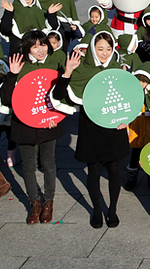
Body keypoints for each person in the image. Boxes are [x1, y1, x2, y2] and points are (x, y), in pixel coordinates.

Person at [52, 32, 129, 229]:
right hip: (91, 126)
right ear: (93, 48)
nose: (104, 53)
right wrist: (68, 72)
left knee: (114, 169)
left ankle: (112, 209)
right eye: (100, 48)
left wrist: (125, 119)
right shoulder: (81, 69)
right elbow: (59, 95)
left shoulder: (117, 69)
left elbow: (130, 98)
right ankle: (96, 209)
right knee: (93, 170)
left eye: (109, 49)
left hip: (114, 125)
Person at [0, 30, 72, 223]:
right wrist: (12, 75)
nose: (40, 49)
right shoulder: (20, 66)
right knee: (28, 165)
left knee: (48, 163)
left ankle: (48, 202)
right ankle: (34, 203)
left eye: (43, 44)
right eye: (35, 46)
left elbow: (60, 96)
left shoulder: (54, 63)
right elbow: (7, 100)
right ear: (27, 48)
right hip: (25, 123)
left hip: (48, 123)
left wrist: (55, 115)